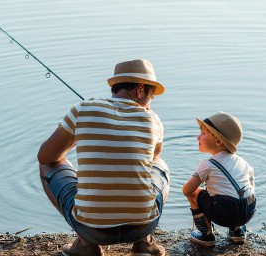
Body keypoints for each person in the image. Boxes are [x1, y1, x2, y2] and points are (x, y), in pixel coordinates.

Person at [38, 59, 170, 256]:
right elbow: (152, 158)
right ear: (140, 90)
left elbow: (45, 156)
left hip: (92, 229)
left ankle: (85, 244)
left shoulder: (83, 109)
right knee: (161, 165)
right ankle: (144, 243)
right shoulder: (153, 120)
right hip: (142, 225)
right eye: (151, 97)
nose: (150, 104)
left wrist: (80, 137)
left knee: (47, 165)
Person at [182, 112, 256, 246]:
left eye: (203, 133)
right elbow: (251, 185)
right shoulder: (243, 162)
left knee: (195, 193)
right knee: (236, 193)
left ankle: (206, 235)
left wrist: (201, 191)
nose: (198, 137)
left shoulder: (208, 165)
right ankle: (237, 231)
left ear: (218, 141)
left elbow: (187, 190)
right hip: (248, 210)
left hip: (225, 212)